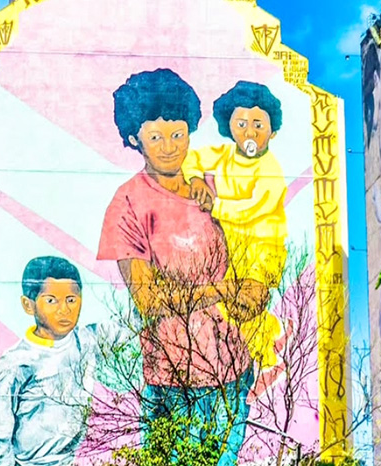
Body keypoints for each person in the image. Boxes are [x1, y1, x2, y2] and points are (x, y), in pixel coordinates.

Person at [97, 68, 266, 466]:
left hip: (233, 376)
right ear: (134, 138)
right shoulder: (127, 204)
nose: (170, 147)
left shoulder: (210, 187)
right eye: (156, 137)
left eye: (179, 134)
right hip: (173, 385)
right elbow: (150, 301)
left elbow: (250, 253)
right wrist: (226, 291)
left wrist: (253, 294)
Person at [183, 81, 289, 378]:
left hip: (263, 248)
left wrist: (213, 206)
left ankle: (266, 351)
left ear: (273, 131)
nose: (250, 132)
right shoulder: (225, 154)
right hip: (231, 247)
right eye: (241, 124)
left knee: (249, 302)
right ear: (229, 126)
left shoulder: (271, 169)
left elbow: (252, 208)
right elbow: (193, 158)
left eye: (258, 124)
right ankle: (257, 348)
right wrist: (195, 180)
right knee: (231, 307)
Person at [0, 256, 97, 466]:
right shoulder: (16, 363)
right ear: (29, 305)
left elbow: (131, 323)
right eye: (51, 300)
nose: (64, 309)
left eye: (71, 300)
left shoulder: (87, 340)